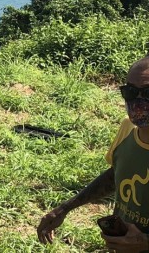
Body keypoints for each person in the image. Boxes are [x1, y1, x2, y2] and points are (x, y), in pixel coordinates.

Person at [37, 56, 149, 252]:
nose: (137, 103)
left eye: (148, 93)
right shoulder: (127, 129)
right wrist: (65, 208)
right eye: (130, 92)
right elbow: (117, 174)